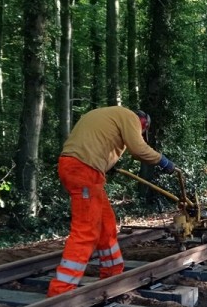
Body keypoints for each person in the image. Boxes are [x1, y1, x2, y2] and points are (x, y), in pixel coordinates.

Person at [47, 106, 176, 297]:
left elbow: (96, 143)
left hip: (82, 168)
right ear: (143, 124)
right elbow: (138, 148)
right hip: (84, 171)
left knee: (106, 224)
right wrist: (163, 161)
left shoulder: (108, 114)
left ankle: (112, 274)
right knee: (86, 230)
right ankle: (60, 292)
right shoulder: (130, 118)